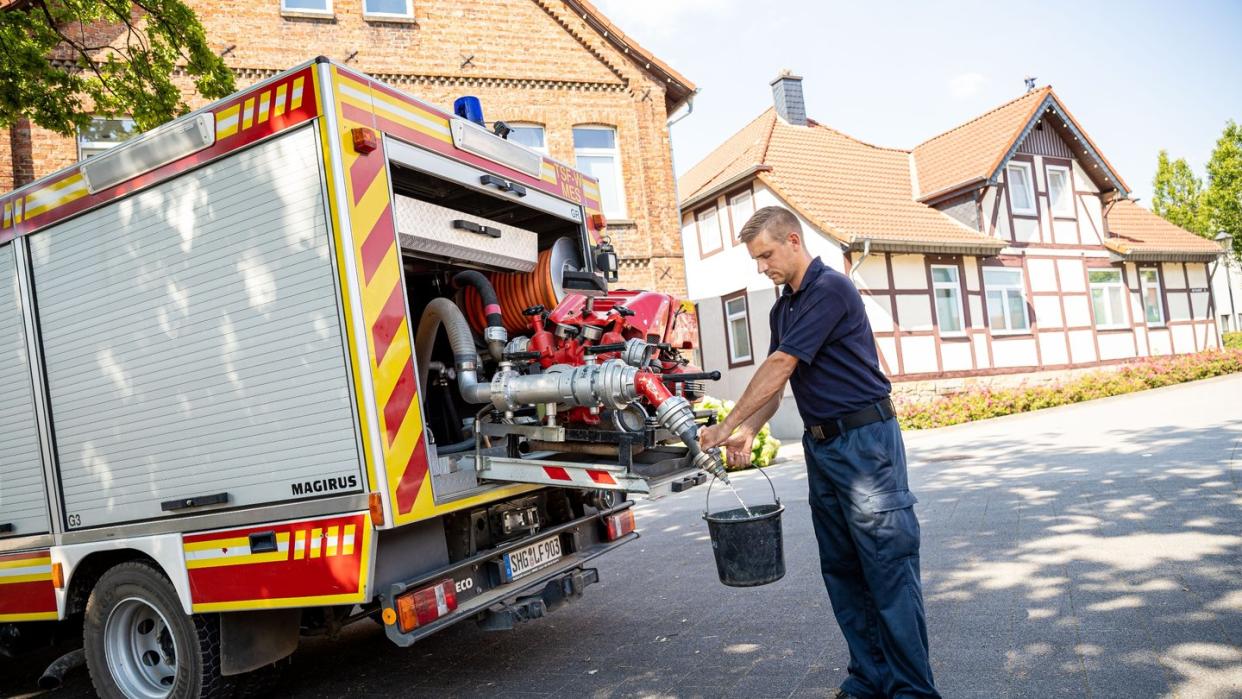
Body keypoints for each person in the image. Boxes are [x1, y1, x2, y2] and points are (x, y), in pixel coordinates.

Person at [698, 206, 939, 699]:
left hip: (865, 445)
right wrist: (750, 428)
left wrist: (726, 424)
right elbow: (782, 378)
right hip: (822, 447)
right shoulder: (782, 308)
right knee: (843, 569)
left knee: (887, 569)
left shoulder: (831, 289)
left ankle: (913, 691)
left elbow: (781, 364)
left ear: (792, 239)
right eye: (756, 259)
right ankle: (869, 680)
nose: (762, 266)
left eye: (766, 254)